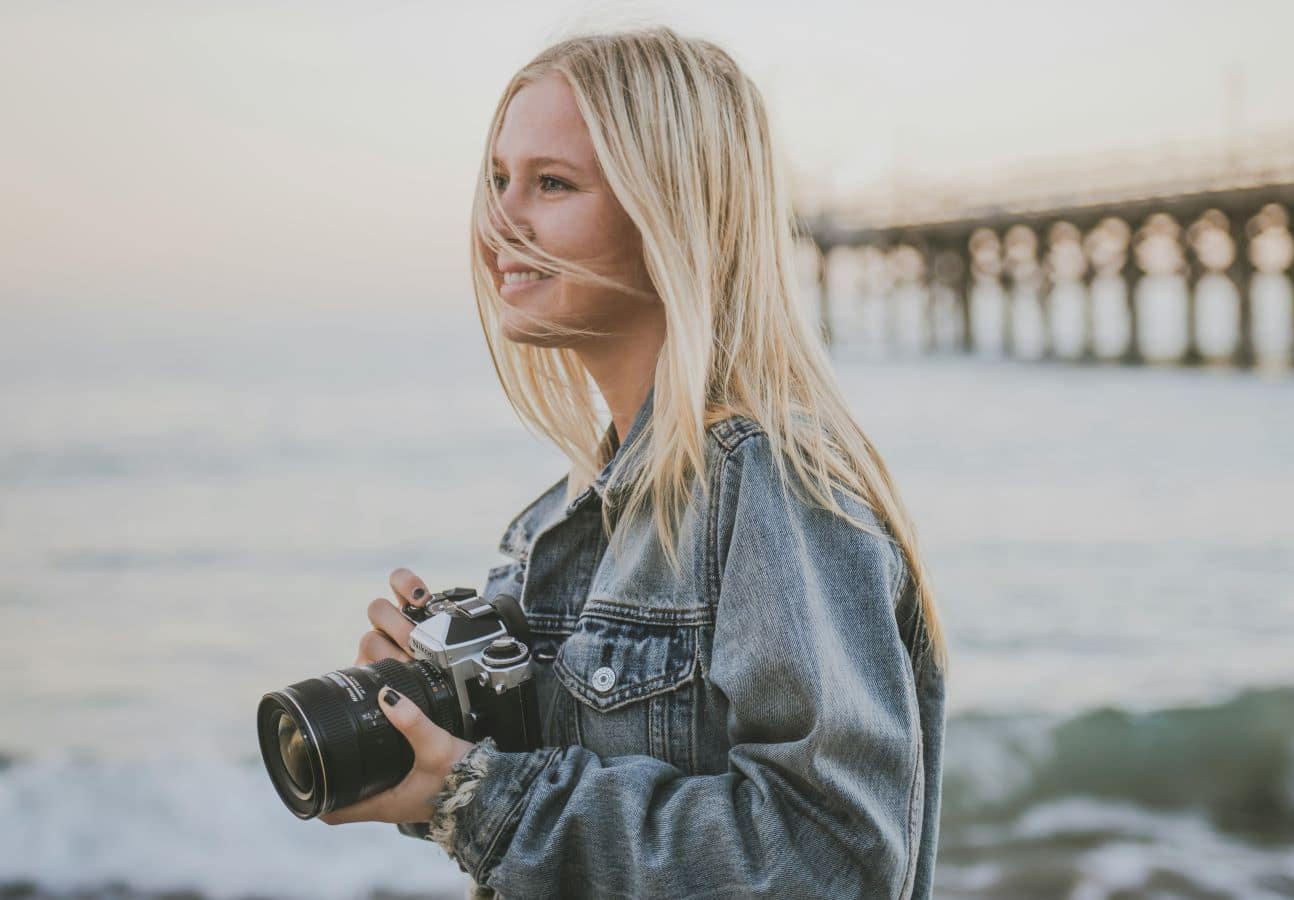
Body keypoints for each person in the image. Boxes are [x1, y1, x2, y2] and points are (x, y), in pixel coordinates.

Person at [318, 25, 948, 900]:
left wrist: (485, 799)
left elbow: (831, 856)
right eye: (499, 180)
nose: (499, 221)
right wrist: (445, 739)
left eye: (552, 184)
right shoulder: (555, 522)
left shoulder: (767, 485)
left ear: (671, 210)